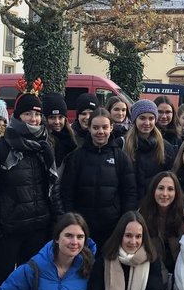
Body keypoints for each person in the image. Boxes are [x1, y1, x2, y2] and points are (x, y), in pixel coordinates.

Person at [0, 93, 64, 290]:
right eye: (28, 114)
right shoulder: (2, 148)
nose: (33, 119)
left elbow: (52, 188)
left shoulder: (44, 146)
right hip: (8, 230)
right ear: (17, 117)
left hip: (37, 228)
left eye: (37, 114)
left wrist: (57, 222)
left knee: (33, 285)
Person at [61, 109, 138, 247]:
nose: (100, 132)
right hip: (82, 226)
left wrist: (124, 223)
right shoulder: (76, 157)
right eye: (96, 127)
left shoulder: (121, 157)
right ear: (89, 128)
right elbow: (67, 192)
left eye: (104, 127)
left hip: (111, 227)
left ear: (111, 127)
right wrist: (71, 220)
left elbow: (129, 193)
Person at [138, 171, 184, 274]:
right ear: (153, 190)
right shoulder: (141, 216)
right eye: (161, 188)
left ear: (176, 192)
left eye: (170, 189)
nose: (165, 194)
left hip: (183, 270)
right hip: (154, 271)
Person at [125, 100, 176, 199]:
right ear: (135, 119)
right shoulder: (123, 144)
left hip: (156, 201)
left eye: (151, 118)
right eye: (142, 118)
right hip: (130, 201)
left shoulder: (165, 147)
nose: (147, 123)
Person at [41, 92, 77, 168]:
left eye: (60, 117)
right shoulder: (43, 142)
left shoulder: (71, 140)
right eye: (52, 117)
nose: (57, 122)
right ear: (45, 119)